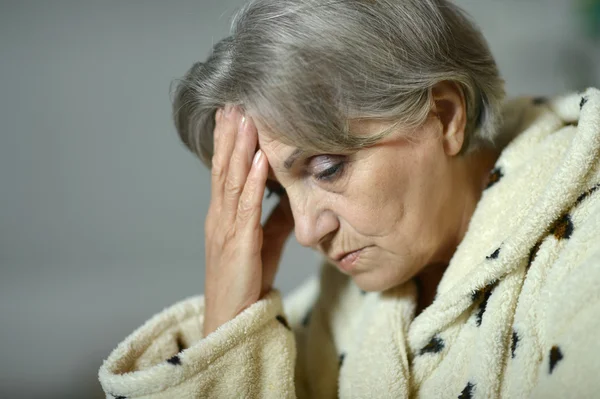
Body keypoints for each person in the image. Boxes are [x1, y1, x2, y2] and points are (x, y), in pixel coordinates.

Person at [98, 0, 600, 397]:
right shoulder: (336, 312)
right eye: (276, 193)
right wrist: (224, 329)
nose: (305, 232)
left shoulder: (587, 242)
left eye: (327, 168)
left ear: (445, 116)